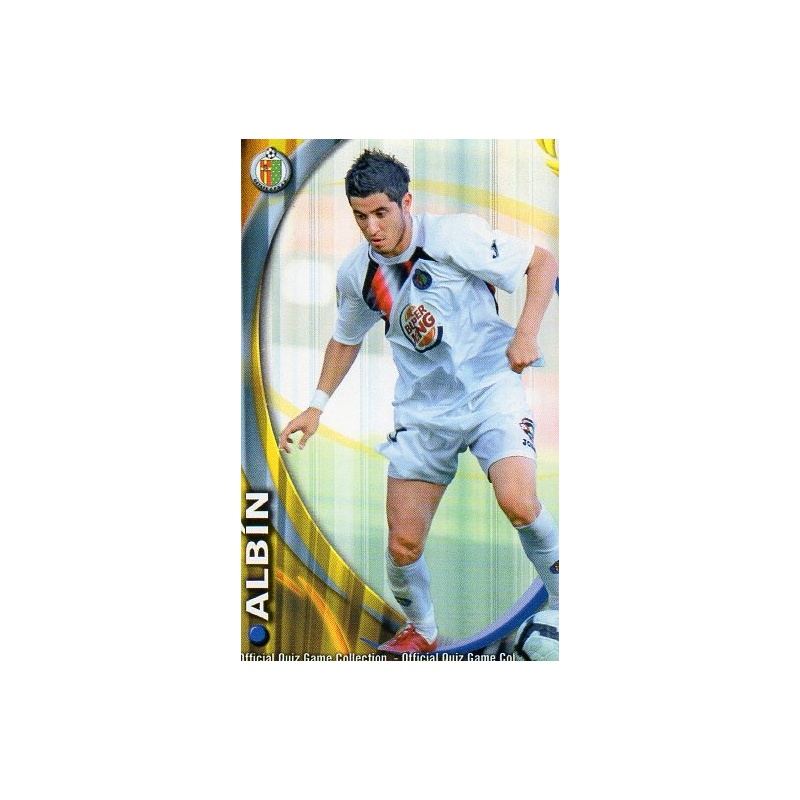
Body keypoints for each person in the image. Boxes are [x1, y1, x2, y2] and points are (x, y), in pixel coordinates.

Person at [279, 149, 559, 655]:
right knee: (402, 544)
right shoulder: (358, 273)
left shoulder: (454, 237)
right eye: (360, 216)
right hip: (424, 414)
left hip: (490, 391)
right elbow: (345, 339)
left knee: (518, 503)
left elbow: (542, 263)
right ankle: (421, 630)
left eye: (381, 213)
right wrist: (316, 406)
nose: (372, 228)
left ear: (406, 202)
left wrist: (525, 334)